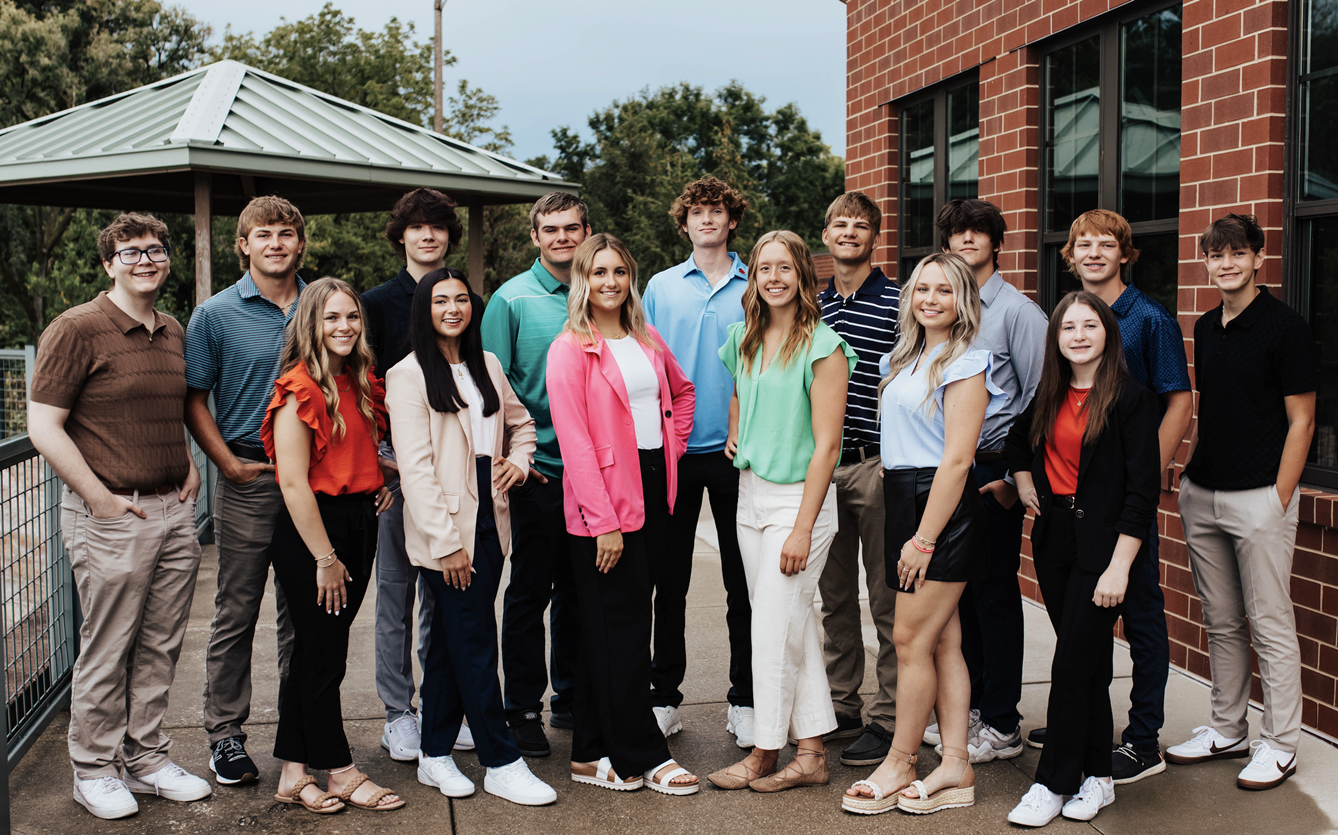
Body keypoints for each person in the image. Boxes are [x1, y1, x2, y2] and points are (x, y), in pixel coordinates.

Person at [30, 213, 211, 819]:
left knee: (161, 643)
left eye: (156, 250)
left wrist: (186, 461)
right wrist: (102, 500)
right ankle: (93, 769)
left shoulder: (172, 328)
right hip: (109, 513)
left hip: (172, 508)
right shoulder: (76, 328)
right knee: (108, 645)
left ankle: (148, 757)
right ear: (108, 263)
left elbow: (170, 408)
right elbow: (43, 426)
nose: (146, 260)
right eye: (130, 252)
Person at [387, 269, 556, 806]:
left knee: (452, 642)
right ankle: (501, 760)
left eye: (462, 299)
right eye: (441, 300)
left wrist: (520, 464)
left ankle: (434, 753)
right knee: (477, 642)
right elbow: (414, 471)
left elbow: (523, 423)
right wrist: (445, 544)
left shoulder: (487, 364)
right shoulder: (408, 375)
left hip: (493, 511)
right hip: (447, 524)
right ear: (424, 308)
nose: (453, 308)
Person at [843, 252, 1003, 816]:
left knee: (909, 642)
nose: (930, 299)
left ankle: (901, 760)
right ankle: (956, 763)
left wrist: (924, 538)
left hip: (938, 507)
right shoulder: (904, 355)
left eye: (943, 290)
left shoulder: (967, 362)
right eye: (921, 289)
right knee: (943, 641)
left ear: (962, 301)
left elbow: (958, 461)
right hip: (902, 498)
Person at [546, 234, 699, 795]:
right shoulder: (569, 348)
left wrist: (672, 447)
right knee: (624, 631)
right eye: (598, 272)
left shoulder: (645, 336)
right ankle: (642, 752)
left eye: (618, 271)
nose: (609, 282)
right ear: (581, 280)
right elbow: (575, 442)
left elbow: (682, 395)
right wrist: (603, 522)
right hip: (603, 503)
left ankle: (589, 754)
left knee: (613, 629)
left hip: (655, 483)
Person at [1166, 214, 1316, 790]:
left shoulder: (1285, 327)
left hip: (1260, 498)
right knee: (1222, 621)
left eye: (1237, 254)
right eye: (1216, 256)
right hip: (1203, 493)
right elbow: (1217, 407)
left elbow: (1302, 421)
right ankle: (1227, 729)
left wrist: (1279, 497)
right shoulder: (1205, 327)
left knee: (1271, 623)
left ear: (1258, 259)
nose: (1226, 264)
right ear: (1206, 263)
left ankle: (1280, 744)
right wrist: (1189, 474)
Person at [1003, 292, 1160, 827]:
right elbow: (1016, 444)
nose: (1078, 335)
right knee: (1088, 665)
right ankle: (1098, 776)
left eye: (1089, 325)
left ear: (1107, 333)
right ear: (1057, 338)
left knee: (1068, 664)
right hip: (1055, 543)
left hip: (1106, 549)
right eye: (1068, 327)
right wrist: (1026, 485)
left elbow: (1143, 492)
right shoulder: (1049, 393)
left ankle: (1053, 781)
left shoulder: (1130, 399)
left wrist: (1119, 566)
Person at [708, 230, 855, 794]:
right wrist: (736, 429)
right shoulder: (743, 337)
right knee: (788, 627)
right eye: (763, 267)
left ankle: (765, 750)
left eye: (784, 268)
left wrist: (802, 527)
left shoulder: (824, 346)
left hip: (801, 502)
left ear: (802, 275)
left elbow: (827, 446)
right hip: (751, 494)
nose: (772, 277)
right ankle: (813, 752)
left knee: (770, 630)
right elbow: (742, 390)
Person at [1055, 209, 1192, 783]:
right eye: (1082, 244)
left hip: (1125, 504)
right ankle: (1085, 719)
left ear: (1124, 254)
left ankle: (1143, 740)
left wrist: (1140, 480)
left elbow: (1179, 402)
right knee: (1082, 621)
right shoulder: (1071, 317)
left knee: (1140, 619)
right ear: (1070, 256)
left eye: (1105, 244)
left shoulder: (1148, 319)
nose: (1092, 253)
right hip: (1076, 505)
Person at [260, 277, 402, 814]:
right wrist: (324, 558)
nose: (344, 327)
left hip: (358, 521)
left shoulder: (360, 381)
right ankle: (339, 769)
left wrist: (378, 479)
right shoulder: (300, 387)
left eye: (352, 317)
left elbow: (356, 451)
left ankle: (294, 774)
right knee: (324, 656)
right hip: (313, 534)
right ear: (310, 325)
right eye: (331, 318)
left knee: (319, 652)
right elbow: (293, 482)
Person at [184, 195, 305, 785]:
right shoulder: (214, 314)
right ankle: (225, 735)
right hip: (250, 477)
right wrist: (225, 463)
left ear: (300, 244)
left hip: (313, 479)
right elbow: (194, 398)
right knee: (238, 608)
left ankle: (298, 731)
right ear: (244, 245)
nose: (275, 244)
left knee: (303, 611)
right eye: (264, 235)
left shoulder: (323, 304)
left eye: (286, 234)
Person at [927, 199, 1046, 763]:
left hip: (993, 466)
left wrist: (1011, 475)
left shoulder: (1018, 313)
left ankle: (1002, 719)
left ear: (996, 242)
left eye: (978, 232)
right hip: (949, 464)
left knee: (996, 595)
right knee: (961, 594)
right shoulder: (948, 305)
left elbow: (1042, 398)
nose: (967, 239)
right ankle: (970, 707)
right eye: (957, 232)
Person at [362, 188, 473, 761]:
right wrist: (380, 467)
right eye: (417, 227)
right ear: (401, 235)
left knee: (444, 595)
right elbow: (363, 385)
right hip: (396, 470)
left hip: (451, 469)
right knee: (396, 595)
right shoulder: (377, 302)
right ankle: (397, 711)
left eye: (437, 227)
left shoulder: (462, 298)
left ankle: (440, 705)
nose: (427, 235)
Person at [642, 176, 754, 744]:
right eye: (696, 212)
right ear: (684, 223)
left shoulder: (756, 282)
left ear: (731, 220)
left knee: (743, 581)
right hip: (676, 451)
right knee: (669, 581)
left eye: (717, 211)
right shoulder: (660, 288)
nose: (706, 219)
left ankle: (747, 698)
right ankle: (663, 697)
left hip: (740, 452)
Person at [480, 192, 588, 757]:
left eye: (572, 228)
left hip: (592, 475)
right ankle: (521, 707)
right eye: (551, 229)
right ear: (535, 237)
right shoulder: (511, 300)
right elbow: (491, 391)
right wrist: (511, 462)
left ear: (586, 230)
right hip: (536, 473)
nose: (562, 238)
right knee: (528, 595)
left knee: (577, 592)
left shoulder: (603, 291)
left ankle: (570, 696)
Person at [815, 192, 902, 765]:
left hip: (877, 463)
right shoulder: (810, 304)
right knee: (834, 596)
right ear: (826, 236)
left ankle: (890, 713)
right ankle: (842, 703)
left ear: (875, 236)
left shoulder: (899, 300)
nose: (849, 232)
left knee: (888, 596)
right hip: (822, 465)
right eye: (840, 224)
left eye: (860, 225)